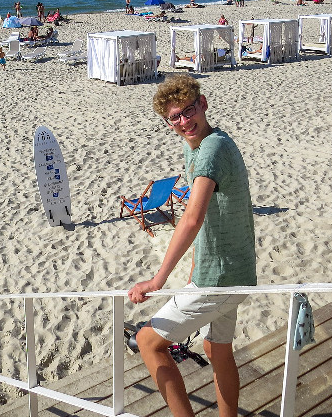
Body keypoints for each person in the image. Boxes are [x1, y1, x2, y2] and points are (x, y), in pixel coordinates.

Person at [128, 74, 256, 417]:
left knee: (148, 342)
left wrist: (157, 281)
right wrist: (195, 263)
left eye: (189, 111)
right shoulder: (202, 144)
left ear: (203, 104)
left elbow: (191, 219)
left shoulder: (210, 150)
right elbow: (214, 217)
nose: (185, 121)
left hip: (220, 279)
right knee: (216, 349)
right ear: (167, 121)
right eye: (175, 117)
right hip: (236, 270)